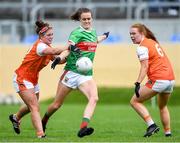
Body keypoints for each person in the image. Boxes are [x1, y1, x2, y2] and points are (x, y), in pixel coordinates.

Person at [41, 7, 109, 138]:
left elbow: (95, 40)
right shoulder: (76, 33)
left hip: (86, 75)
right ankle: (43, 121)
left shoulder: (93, 32)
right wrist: (59, 58)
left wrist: (105, 36)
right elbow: (68, 49)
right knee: (56, 105)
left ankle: (83, 127)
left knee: (94, 98)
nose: (87, 21)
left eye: (89, 18)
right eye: (84, 19)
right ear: (79, 20)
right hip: (71, 73)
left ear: (92, 19)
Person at [9, 20, 78, 138]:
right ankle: (40, 134)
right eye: (49, 35)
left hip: (32, 79)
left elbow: (58, 59)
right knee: (34, 107)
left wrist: (69, 57)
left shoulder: (46, 46)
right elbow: (54, 51)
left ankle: (16, 118)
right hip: (22, 78)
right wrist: (69, 46)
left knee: (31, 105)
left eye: (52, 34)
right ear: (41, 35)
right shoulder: (41, 46)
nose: (51, 37)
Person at [129, 23, 175, 137]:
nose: (131, 36)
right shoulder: (153, 42)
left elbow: (144, 67)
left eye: (134, 33)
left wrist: (138, 82)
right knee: (162, 106)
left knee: (134, 101)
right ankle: (168, 134)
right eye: (130, 34)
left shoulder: (142, 47)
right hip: (170, 79)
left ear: (142, 33)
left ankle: (151, 125)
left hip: (159, 79)